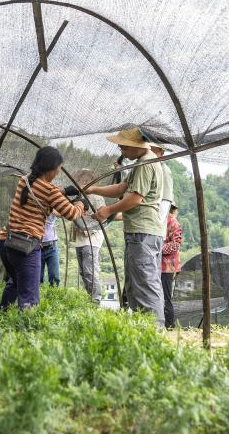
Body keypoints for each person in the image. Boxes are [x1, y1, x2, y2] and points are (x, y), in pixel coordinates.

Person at [86, 127, 165, 326]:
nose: (121, 149)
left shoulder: (146, 164)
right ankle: (142, 325)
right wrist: (94, 188)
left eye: (123, 146)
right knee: (136, 282)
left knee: (145, 282)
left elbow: (135, 198)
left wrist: (108, 210)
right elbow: (122, 188)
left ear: (135, 146)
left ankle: (154, 329)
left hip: (143, 232)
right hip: (139, 232)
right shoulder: (140, 164)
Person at [0, 146, 84, 311]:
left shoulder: (25, 180)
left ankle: (2, 313)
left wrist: (63, 192)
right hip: (26, 245)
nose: (58, 173)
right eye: (58, 169)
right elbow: (72, 214)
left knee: (16, 283)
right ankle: (27, 331)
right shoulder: (50, 190)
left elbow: (39, 196)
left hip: (7, 241)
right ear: (51, 169)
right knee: (29, 296)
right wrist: (81, 203)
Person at [72, 169, 107, 303]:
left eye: (83, 180)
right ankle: (90, 299)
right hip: (80, 240)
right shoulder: (77, 197)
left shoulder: (97, 197)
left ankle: (95, 301)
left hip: (92, 239)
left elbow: (102, 218)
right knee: (83, 271)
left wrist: (86, 229)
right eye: (79, 179)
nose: (80, 182)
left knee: (90, 271)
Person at [161, 203, 183, 329]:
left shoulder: (172, 222)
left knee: (165, 297)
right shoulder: (165, 220)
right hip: (163, 265)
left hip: (167, 266)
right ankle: (166, 325)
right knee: (164, 296)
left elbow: (176, 245)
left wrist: (158, 249)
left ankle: (169, 325)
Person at [40, 214, 61, 287]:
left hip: (52, 246)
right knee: (37, 277)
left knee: (54, 276)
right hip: (37, 247)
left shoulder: (52, 211)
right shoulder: (35, 212)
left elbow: (61, 213)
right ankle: (37, 296)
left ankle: (53, 295)